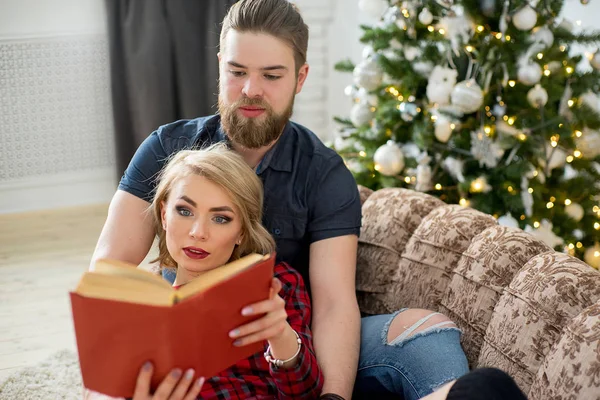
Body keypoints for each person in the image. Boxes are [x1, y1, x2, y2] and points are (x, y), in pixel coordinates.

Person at [91, 0, 468, 398]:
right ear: (220, 66)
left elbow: (334, 306)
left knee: (427, 334)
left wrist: (331, 394)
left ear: (300, 77)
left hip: (290, 333)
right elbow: (108, 271)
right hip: (188, 329)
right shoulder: (167, 147)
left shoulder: (323, 174)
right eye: (237, 72)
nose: (251, 90)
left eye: (271, 75)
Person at [88, 145, 323, 400]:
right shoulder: (141, 308)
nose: (198, 232)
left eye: (220, 218)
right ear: (165, 215)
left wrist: (281, 335)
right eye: (185, 211)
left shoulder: (276, 283)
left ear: (242, 231)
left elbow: (307, 393)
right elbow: (98, 388)